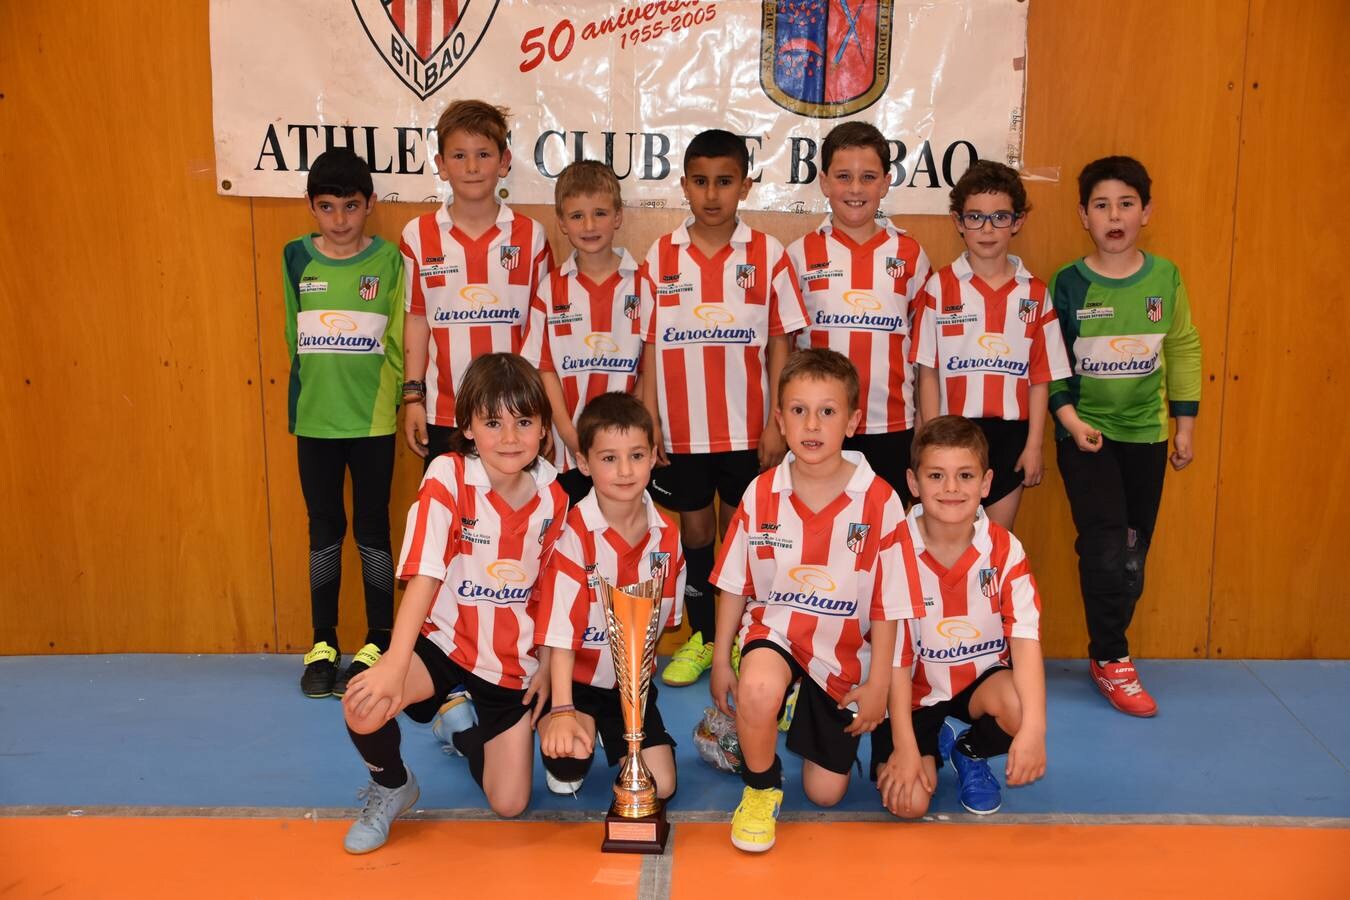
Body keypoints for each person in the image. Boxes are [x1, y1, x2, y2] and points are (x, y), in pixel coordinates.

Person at [339, 353, 568, 853]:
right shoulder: (447, 475)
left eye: (524, 422)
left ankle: (461, 728)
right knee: (363, 704)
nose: (509, 438)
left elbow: (553, 591)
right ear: (467, 428)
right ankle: (393, 785)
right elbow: (424, 575)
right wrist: (394, 666)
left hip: (510, 660)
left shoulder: (554, 498)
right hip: (443, 641)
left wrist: (549, 664)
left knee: (509, 804)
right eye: (493, 422)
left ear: (545, 430)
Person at [709, 348, 922, 853]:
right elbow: (735, 585)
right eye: (798, 410)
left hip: (843, 654)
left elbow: (889, 606)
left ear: (852, 421)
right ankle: (760, 787)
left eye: (827, 411)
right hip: (776, 633)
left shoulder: (880, 500)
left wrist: (876, 685)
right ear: (780, 421)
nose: (812, 423)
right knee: (758, 687)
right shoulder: (761, 494)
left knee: (825, 794)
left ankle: (783, 712)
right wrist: (722, 659)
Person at [640, 128, 808, 688]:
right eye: (701, 182)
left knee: (744, 534)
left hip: (747, 430)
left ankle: (742, 640)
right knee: (695, 536)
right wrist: (651, 423)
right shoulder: (661, 255)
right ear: (683, 185)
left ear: (745, 185)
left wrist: (777, 422)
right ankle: (704, 635)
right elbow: (648, 347)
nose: (712, 194)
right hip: (683, 432)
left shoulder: (768, 254)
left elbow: (782, 344)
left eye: (725, 181)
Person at [1049, 156, 1202, 717]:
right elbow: (1051, 361)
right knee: (1107, 544)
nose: (1114, 216)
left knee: (1133, 554)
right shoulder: (1069, 282)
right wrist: (1069, 421)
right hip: (1085, 435)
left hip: (1146, 436)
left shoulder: (1166, 277)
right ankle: (1112, 657)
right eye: (1101, 205)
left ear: (1146, 211)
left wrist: (1183, 424)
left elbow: (1184, 347)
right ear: (1083, 216)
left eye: (1126, 204)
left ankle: (1107, 645)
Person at [875, 415, 1046, 819]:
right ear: (914, 484)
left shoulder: (1005, 550)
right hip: (911, 696)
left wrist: (1036, 728)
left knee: (1023, 708)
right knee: (910, 806)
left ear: (986, 484)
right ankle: (933, 740)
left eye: (965, 475)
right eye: (936, 475)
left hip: (979, 687)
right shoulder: (894, 550)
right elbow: (895, 662)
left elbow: (1025, 641)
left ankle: (968, 749)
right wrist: (904, 745)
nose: (951, 488)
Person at [284, 148, 405, 698]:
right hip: (315, 422)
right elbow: (295, 340)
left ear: (370, 205)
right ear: (311, 207)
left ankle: (378, 640)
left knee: (373, 530)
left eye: (351, 207)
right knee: (324, 531)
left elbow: (401, 342)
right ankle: (324, 643)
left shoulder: (390, 261)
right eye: (327, 207)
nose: (339, 220)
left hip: (374, 421)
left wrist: (401, 400)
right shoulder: (294, 258)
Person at [535, 392, 685, 797]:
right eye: (608, 458)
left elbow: (663, 626)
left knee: (662, 787)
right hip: (576, 682)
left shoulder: (668, 537)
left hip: (630, 687)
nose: (624, 470)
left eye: (636, 456)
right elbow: (561, 637)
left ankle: (617, 735)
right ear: (583, 463)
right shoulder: (571, 534)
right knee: (565, 775)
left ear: (654, 456)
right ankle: (570, 722)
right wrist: (563, 709)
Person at [910, 160, 1071, 531]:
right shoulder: (940, 287)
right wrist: (932, 438)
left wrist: (1033, 446)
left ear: (1017, 222)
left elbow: (1041, 378)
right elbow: (928, 371)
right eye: (975, 217)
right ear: (958, 221)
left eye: (1000, 217)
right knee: (947, 536)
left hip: (1010, 437)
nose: (986, 229)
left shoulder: (1035, 293)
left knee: (996, 540)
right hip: (954, 433)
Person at [399, 100, 553, 465]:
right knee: (451, 517)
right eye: (459, 155)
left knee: (516, 517)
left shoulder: (531, 236)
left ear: (504, 161)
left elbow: (543, 331)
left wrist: (540, 410)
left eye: (483, 154)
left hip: (515, 416)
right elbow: (417, 319)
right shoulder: (417, 235)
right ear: (440, 164)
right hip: (443, 412)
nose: (471, 167)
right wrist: (413, 399)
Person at [786, 121, 931, 497]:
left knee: (885, 533)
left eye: (867, 177)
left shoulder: (910, 254)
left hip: (892, 423)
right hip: (817, 426)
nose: (854, 188)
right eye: (843, 176)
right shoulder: (799, 255)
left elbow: (925, 347)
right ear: (824, 182)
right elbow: (784, 347)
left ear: (885, 183)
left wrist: (925, 425)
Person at [521, 161, 644, 506]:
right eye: (576, 216)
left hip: (626, 447)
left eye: (600, 213)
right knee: (574, 536)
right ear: (561, 222)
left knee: (625, 535)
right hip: (570, 448)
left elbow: (650, 367)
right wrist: (567, 432)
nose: (589, 226)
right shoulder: (551, 288)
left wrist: (640, 431)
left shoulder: (643, 283)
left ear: (618, 216)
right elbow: (543, 367)